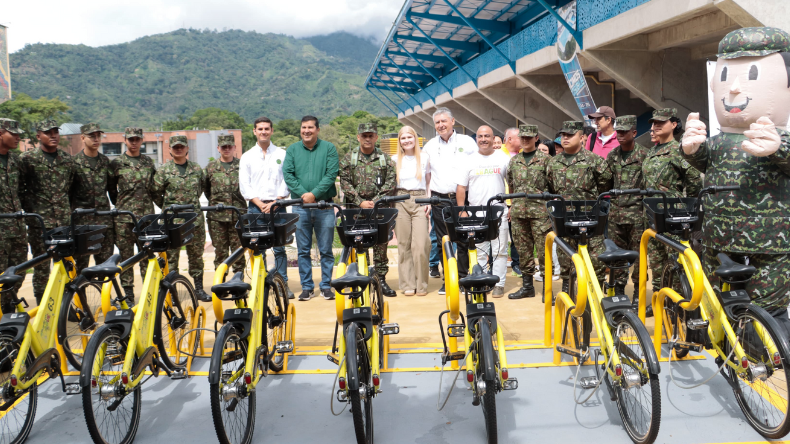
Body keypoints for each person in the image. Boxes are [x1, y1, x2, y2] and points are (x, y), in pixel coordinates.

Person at [681, 27, 790, 331]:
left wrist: (780, 149)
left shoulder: (780, 138)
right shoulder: (719, 141)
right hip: (720, 234)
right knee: (721, 302)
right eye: (726, 76)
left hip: (771, 239)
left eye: (753, 74)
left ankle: (770, 351)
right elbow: (705, 161)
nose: (734, 88)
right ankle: (729, 347)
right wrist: (691, 149)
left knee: (768, 308)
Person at [643, 108, 702, 306]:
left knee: (676, 263)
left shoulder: (678, 150)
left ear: (674, 124)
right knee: (657, 262)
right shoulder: (652, 151)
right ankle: (660, 304)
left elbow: (694, 180)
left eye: (661, 122)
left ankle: (677, 305)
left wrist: (687, 208)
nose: (655, 126)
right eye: (654, 123)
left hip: (672, 217)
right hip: (652, 216)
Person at [546, 121, 613, 292]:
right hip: (565, 219)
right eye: (563, 135)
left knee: (595, 259)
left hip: (590, 219)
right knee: (566, 258)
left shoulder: (594, 161)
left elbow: (604, 185)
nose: (565, 138)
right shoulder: (553, 163)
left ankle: (596, 293)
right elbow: (551, 188)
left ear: (582, 137)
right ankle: (567, 290)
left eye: (570, 135)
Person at [19, 119, 77, 303]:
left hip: (63, 223)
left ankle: (67, 306)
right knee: (41, 267)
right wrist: (31, 209)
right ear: (38, 136)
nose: (53, 136)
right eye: (48, 133)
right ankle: (43, 305)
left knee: (66, 265)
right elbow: (20, 189)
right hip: (40, 224)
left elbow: (70, 188)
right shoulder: (27, 160)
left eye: (55, 132)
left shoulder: (67, 160)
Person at [283, 116, 339, 301]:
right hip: (301, 207)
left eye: (310, 127)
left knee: (326, 250)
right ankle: (307, 287)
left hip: (324, 206)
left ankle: (326, 286)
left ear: (317, 130)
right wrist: (303, 195)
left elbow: (331, 174)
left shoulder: (329, 148)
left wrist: (314, 194)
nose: (306, 131)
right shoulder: (292, 150)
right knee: (303, 250)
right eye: (303, 127)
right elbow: (288, 175)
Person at [423, 107, 478, 295]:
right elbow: (427, 176)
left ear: (453, 121)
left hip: (463, 199)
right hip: (439, 199)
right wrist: (428, 199)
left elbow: (475, 168)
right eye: (437, 122)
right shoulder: (430, 146)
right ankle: (448, 279)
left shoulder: (467, 142)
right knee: (442, 241)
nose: (441, 125)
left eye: (444, 121)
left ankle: (462, 278)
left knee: (463, 239)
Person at [339, 122, 397, 297]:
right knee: (359, 244)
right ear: (358, 137)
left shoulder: (385, 159)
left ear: (376, 137)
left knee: (381, 245)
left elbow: (391, 181)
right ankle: (362, 278)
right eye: (364, 135)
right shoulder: (348, 159)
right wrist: (360, 202)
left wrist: (375, 201)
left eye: (371, 135)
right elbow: (345, 183)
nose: (367, 138)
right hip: (356, 210)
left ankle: (381, 280)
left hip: (379, 209)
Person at [151, 135, 209, 302]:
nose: (179, 149)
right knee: (171, 257)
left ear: (187, 149)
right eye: (175, 147)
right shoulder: (163, 171)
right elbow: (155, 192)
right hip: (172, 222)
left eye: (181, 146)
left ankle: (198, 289)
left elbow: (201, 189)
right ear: (170, 149)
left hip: (194, 220)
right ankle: (172, 292)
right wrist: (168, 207)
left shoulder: (196, 169)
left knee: (196, 256)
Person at [239, 117, 293, 298]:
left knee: (279, 248)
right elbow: (244, 184)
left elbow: (287, 180)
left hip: (278, 206)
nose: (263, 132)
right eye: (260, 129)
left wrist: (276, 202)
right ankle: (260, 284)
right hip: (256, 208)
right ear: (254, 131)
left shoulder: (282, 154)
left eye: (266, 129)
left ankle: (282, 284)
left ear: (272, 131)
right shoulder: (247, 156)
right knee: (258, 248)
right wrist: (261, 204)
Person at [455, 125, 510, 297]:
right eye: (480, 136)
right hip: (476, 213)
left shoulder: (503, 158)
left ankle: (499, 283)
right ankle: (482, 280)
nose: (483, 139)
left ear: (493, 138)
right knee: (479, 250)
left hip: (498, 212)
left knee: (500, 250)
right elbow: (461, 187)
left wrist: (512, 204)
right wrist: (462, 210)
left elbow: (512, 183)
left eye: (487, 136)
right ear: (476, 139)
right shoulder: (468, 160)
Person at [108, 127, 157, 301]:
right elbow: (111, 189)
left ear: (142, 140)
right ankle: (128, 295)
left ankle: (148, 293)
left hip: (145, 218)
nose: (134, 142)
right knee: (126, 257)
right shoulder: (116, 163)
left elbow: (153, 187)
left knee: (147, 255)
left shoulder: (148, 162)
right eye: (131, 139)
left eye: (137, 139)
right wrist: (122, 204)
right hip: (124, 218)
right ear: (125, 140)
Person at [506, 124, 552, 299]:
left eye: (528, 137)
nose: (525, 140)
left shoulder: (546, 160)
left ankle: (547, 290)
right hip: (519, 213)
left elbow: (552, 185)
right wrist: (512, 206)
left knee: (544, 252)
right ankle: (527, 287)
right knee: (523, 251)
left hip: (541, 214)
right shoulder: (514, 161)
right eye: (522, 137)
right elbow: (511, 185)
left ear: (536, 138)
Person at [606, 116, 649, 302]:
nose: (620, 135)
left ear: (634, 133)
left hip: (637, 215)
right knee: (617, 255)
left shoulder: (644, 155)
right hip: (615, 215)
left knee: (640, 257)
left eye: (624, 132)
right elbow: (607, 182)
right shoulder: (612, 156)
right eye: (618, 132)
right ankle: (619, 292)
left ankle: (639, 294)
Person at [71, 123, 114, 274]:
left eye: (98, 136)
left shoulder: (105, 162)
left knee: (105, 265)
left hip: (103, 220)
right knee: (79, 266)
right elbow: (68, 192)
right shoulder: (74, 163)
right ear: (82, 138)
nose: (96, 139)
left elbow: (112, 189)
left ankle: (103, 291)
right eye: (92, 136)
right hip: (82, 223)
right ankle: (79, 290)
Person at [205, 134, 248, 286]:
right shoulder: (210, 168)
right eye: (224, 147)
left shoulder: (242, 166)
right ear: (218, 148)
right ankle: (220, 283)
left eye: (230, 146)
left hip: (238, 216)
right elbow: (207, 190)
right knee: (220, 252)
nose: (227, 149)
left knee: (238, 252)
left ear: (235, 147)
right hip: (217, 218)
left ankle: (238, 284)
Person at [393, 125, 430, 296]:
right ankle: (408, 284)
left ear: (415, 138)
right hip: (400, 200)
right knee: (404, 244)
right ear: (399, 141)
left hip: (420, 199)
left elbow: (429, 181)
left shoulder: (425, 157)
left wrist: (428, 200)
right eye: (403, 138)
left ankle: (421, 284)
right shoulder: (394, 160)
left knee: (421, 245)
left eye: (410, 137)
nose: (407, 140)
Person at [0, 118, 26, 309]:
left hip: (17, 227)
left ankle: (8, 307)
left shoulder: (16, 160)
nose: (18, 138)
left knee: (19, 270)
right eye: (13, 134)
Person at [501, 127, 522, 277]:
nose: (523, 140)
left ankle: (517, 264)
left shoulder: (522, 154)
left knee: (517, 235)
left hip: (516, 201)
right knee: (498, 237)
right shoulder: (498, 154)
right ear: (510, 139)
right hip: (502, 201)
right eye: (519, 137)